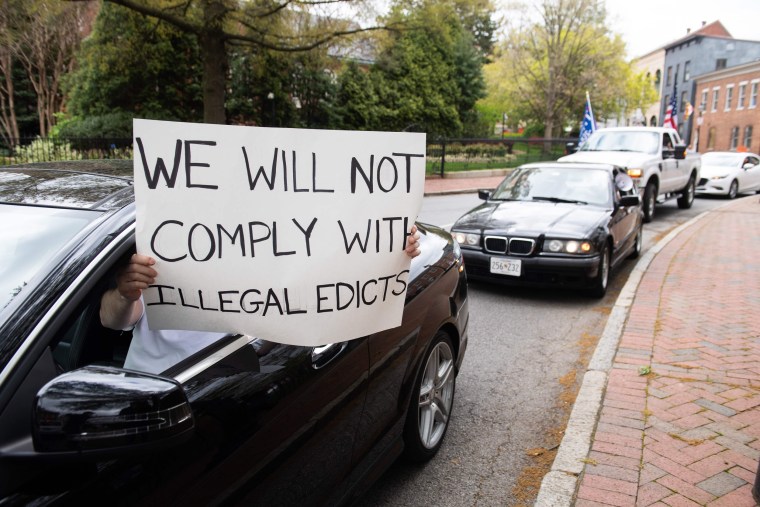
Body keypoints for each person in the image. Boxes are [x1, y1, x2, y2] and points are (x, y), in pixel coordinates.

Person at [100, 225, 422, 374]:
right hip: (152, 390)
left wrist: (389, 247)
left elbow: (329, 266)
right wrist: (126, 292)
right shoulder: (159, 241)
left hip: (228, 394)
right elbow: (113, 318)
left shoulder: (263, 240)